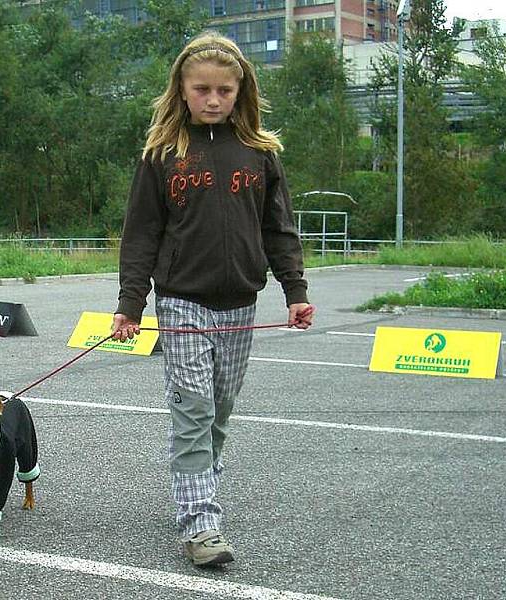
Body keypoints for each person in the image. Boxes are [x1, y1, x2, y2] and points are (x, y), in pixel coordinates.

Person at [111, 31, 313, 567]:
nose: (213, 99)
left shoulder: (261, 154)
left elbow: (279, 230)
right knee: (194, 411)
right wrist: (130, 304)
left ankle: (195, 483)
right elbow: (140, 236)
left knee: (219, 412)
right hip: (181, 302)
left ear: (240, 91)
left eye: (224, 90)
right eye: (201, 89)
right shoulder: (161, 155)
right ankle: (201, 523)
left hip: (240, 305)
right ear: (181, 90)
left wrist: (295, 290)